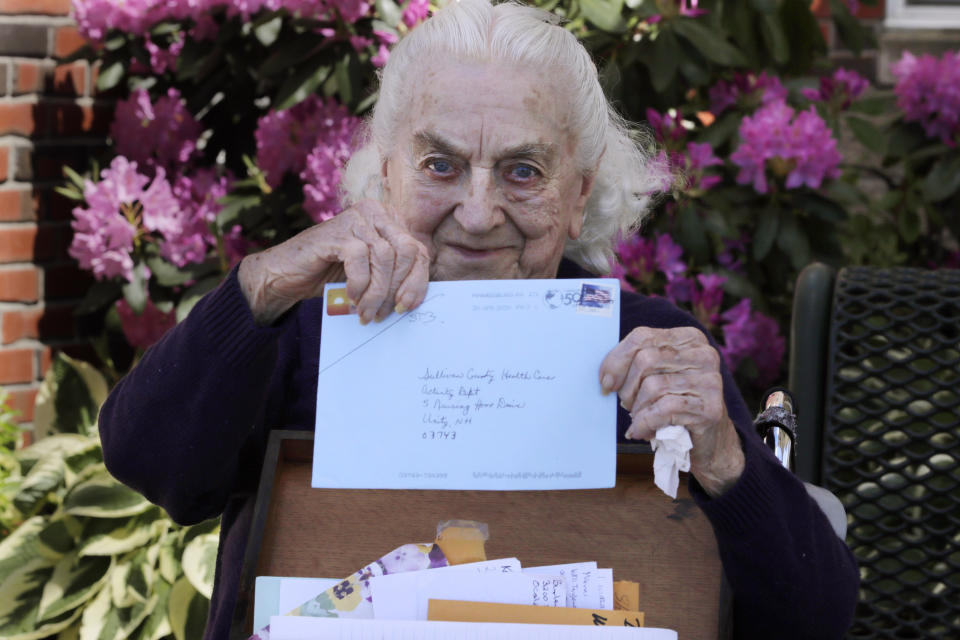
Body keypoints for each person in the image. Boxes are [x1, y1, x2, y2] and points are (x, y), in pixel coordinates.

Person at [98, 1, 860, 638]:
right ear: (386, 168)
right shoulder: (298, 329)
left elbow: (815, 620)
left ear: (580, 191)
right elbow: (149, 463)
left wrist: (728, 463)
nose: (477, 210)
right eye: (441, 165)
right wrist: (255, 290)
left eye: (524, 171)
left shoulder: (648, 350)